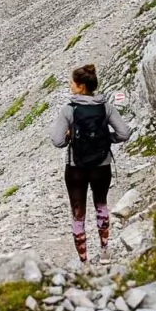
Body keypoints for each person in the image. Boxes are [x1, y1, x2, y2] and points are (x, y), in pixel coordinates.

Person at [50, 64, 132, 266]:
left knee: (78, 213)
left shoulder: (68, 110)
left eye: (72, 82)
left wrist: (71, 138)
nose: (70, 85)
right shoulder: (105, 107)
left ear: (79, 86)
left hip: (76, 167)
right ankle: (105, 251)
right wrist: (106, 139)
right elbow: (125, 133)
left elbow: (57, 140)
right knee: (101, 205)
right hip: (101, 165)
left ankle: (84, 262)